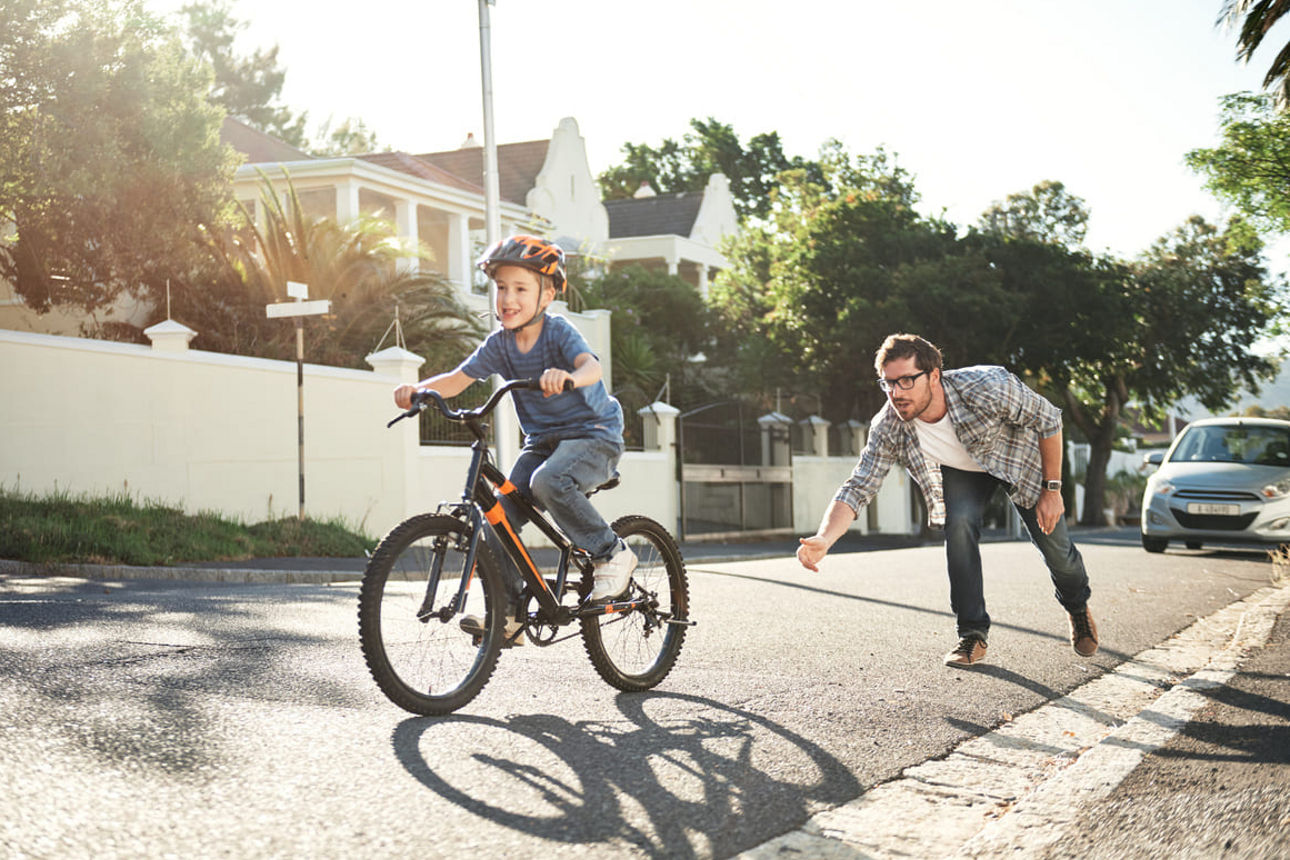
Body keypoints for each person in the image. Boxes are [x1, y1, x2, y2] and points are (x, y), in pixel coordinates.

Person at [795, 333, 1097, 667]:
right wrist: (825, 537)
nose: (896, 393)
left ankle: (1077, 607)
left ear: (934, 375)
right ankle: (972, 634)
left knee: (1059, 554)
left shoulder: (986, 386)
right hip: (963, 470)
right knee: (959, 524)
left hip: (1020, 463)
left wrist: (1051, 489)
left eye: (906, 381)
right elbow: (858, 485)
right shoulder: (889, 424)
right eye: (888, 383)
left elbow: (1048, 418)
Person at [393, 235, 636, 644]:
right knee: (496, 519)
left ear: (548, 293)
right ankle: (511, 615)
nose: (508, 298)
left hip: (594, 435)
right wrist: (418, 390)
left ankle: (612, 552)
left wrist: (569, 377)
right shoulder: (500, 344)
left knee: (547, 481)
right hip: (542, 442)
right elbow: (457, 378)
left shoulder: (558, 333)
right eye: (501, 287)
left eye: (520, 288)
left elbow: (590, 366)